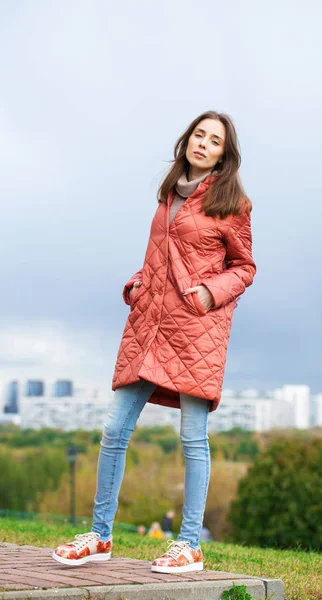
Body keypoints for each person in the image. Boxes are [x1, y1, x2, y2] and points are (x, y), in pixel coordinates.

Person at [52, 110, 256, 574]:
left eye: (214, 140)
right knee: (114, 430)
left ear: (225, 153)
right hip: (149, 325)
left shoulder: (232, 203)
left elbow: (244, 268)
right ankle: (100, 536)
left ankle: (190, 545)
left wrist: (209, 292)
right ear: (187, 140)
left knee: (192, 438)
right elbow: (161, 258)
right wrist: (138, 282)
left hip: (196, 330)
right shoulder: (168, 195)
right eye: (198, 134)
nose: (203, 143)